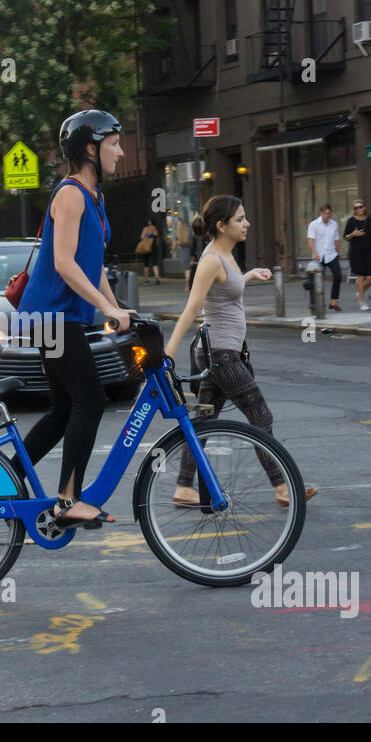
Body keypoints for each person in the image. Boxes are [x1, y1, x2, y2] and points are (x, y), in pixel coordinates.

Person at [14, 110, 135, 528]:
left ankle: (5, 477)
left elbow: (93, 263)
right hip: (50, 317)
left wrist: (117, 305)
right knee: (91, 399)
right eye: (114, 143)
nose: (121, 151)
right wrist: (106, 309)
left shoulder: (95, 197)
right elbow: (65, 264)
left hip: (62, 318)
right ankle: (68, 500)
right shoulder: (69, 194)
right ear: (90, 149)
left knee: (64, 410)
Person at [166, 195, 316, 509]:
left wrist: (248, 276)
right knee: (261, 415)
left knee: (202, 422)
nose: (246, 224)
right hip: (221, 355)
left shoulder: (226, 256)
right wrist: (168, 350)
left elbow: (226, 289)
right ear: (221, 226)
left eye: (245, 217)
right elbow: (194, 307)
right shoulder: (211, 261)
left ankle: (183, 487)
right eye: (239, 219)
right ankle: (283, 487)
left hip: (221, 352)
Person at [307, 204, 342, 311]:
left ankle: (333, 302)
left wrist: (337, 253)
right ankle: (318, 303)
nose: (327, 215)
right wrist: (315, 253)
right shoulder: (314, 224)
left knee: (338, 276)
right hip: (319, 256)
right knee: (318, 280)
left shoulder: (334, 224)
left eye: (329, 213)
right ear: (321, 213)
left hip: (331, 255)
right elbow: (311, 240)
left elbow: (336, 240)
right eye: (325, 213)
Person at [344, 199, 371, 311]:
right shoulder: (351, 221)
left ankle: (360, 292)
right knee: (361, 277)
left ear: (364, 208)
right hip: (356, 252)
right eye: (356, 208)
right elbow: (346, 237)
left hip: (368, 251)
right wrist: (353, 234)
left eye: (360, 207)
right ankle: (362, 302)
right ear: (354, 210)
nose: (359, 209)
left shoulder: (370, 220)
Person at [138, 215, 162, 285]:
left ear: (149, 221)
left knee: (146, 264)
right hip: (153, 248)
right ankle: (157, 278)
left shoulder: (145, 228)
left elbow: (142, 237)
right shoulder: (155, 228)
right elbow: (156, 235)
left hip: (146, 248)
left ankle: (146, 280)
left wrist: (147, 236)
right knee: (155, 263)